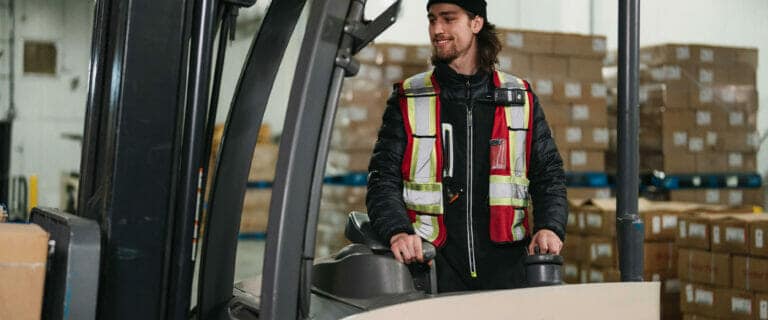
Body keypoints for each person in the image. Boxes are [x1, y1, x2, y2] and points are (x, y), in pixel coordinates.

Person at [365, 0, 568, 292]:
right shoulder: (409, 98)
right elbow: (382, 179)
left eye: (448, 19)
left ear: (476, 23)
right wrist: (398, 232)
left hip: (506, 272)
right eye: (432, 19)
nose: (437, 29)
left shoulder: (519, 97)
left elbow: (549, 174)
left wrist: (550, 226)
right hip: (431, 270)